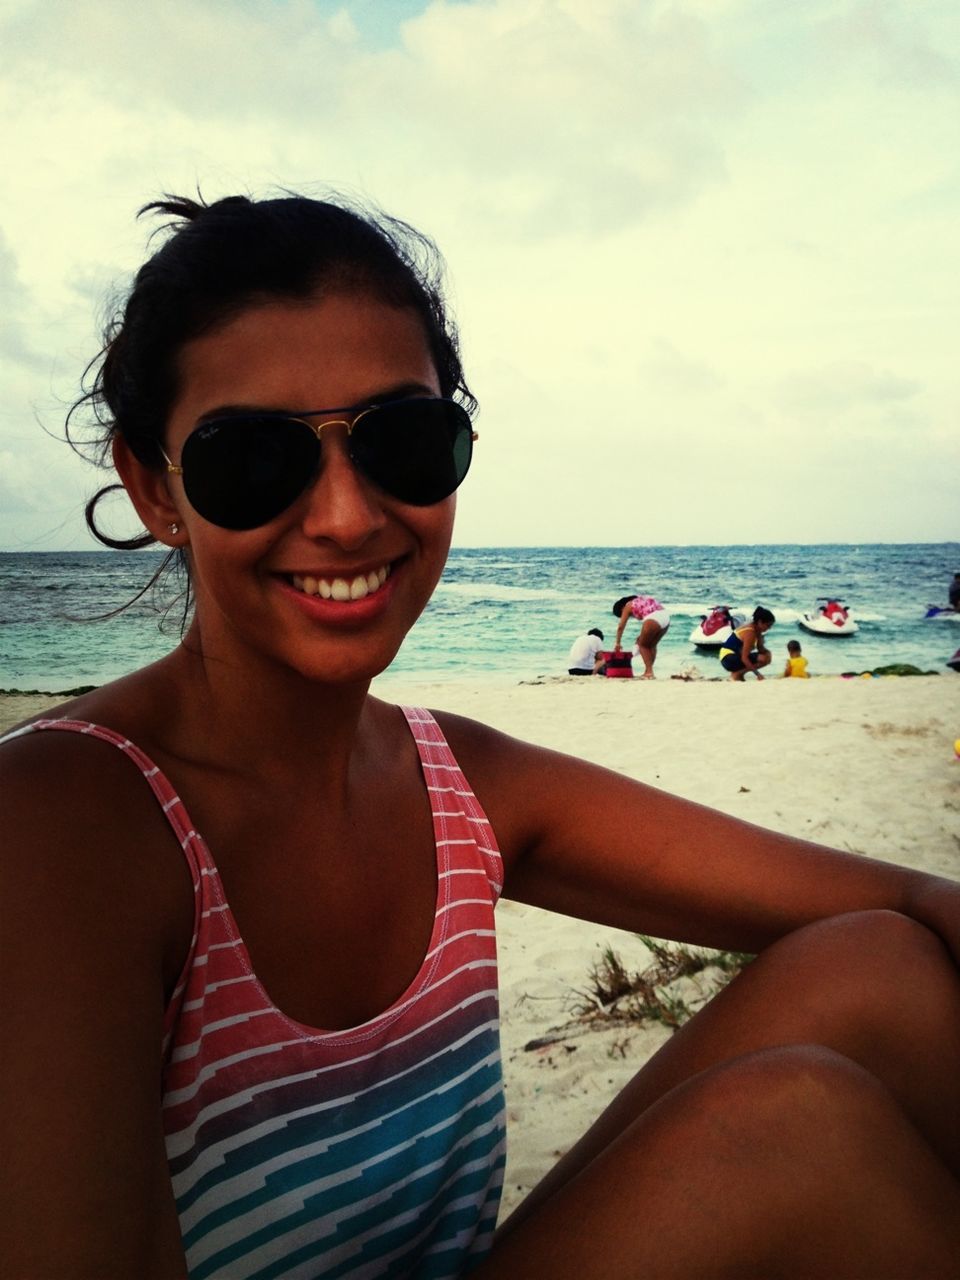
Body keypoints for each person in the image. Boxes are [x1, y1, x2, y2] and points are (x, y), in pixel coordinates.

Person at [2, 193, 959, 1280]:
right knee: (796, 1132)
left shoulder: (457, 782)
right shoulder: (62, 823)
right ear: (150, 484)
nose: (348, 515)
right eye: (253, 459)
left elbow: (900, 905)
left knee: (884, 963)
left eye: (402, 440)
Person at [612, 593, 670, 679]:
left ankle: (649, 672)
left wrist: (618, 643)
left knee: (642, 645)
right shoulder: (640, 599)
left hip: (653, 617)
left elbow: (620, 627)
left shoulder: (627, 606)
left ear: (621, 608)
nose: (630, 617)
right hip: (665, 617)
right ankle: (649, 671)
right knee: (651, 645)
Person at [718, 606, 775, 680]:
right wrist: (758, 674)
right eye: (768, 625)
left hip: (733, 656)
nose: (769, 628)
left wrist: (768, 652)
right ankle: (737, 674)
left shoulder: (757, 630)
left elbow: (760, 649)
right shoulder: (750, 632)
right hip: (728, 659)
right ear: (760, 622)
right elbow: (744, 658)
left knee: (766, 657)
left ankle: (738, 673)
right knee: (763, 658)